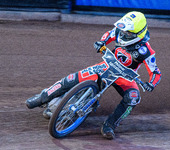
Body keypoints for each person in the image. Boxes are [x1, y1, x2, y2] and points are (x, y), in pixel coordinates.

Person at [26, 11, 161, 140]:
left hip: (124, 77)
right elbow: (108, 34)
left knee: (133, 98)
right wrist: (102, 42)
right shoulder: (120, 31)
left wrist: (151, 83)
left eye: (128, 33)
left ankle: (110, 125)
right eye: (124, 30)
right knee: (73, 78)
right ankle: (42, 97)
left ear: (139, 33)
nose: (124, 34)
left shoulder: (147, 51)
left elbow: (155, 72)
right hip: (106, 66)